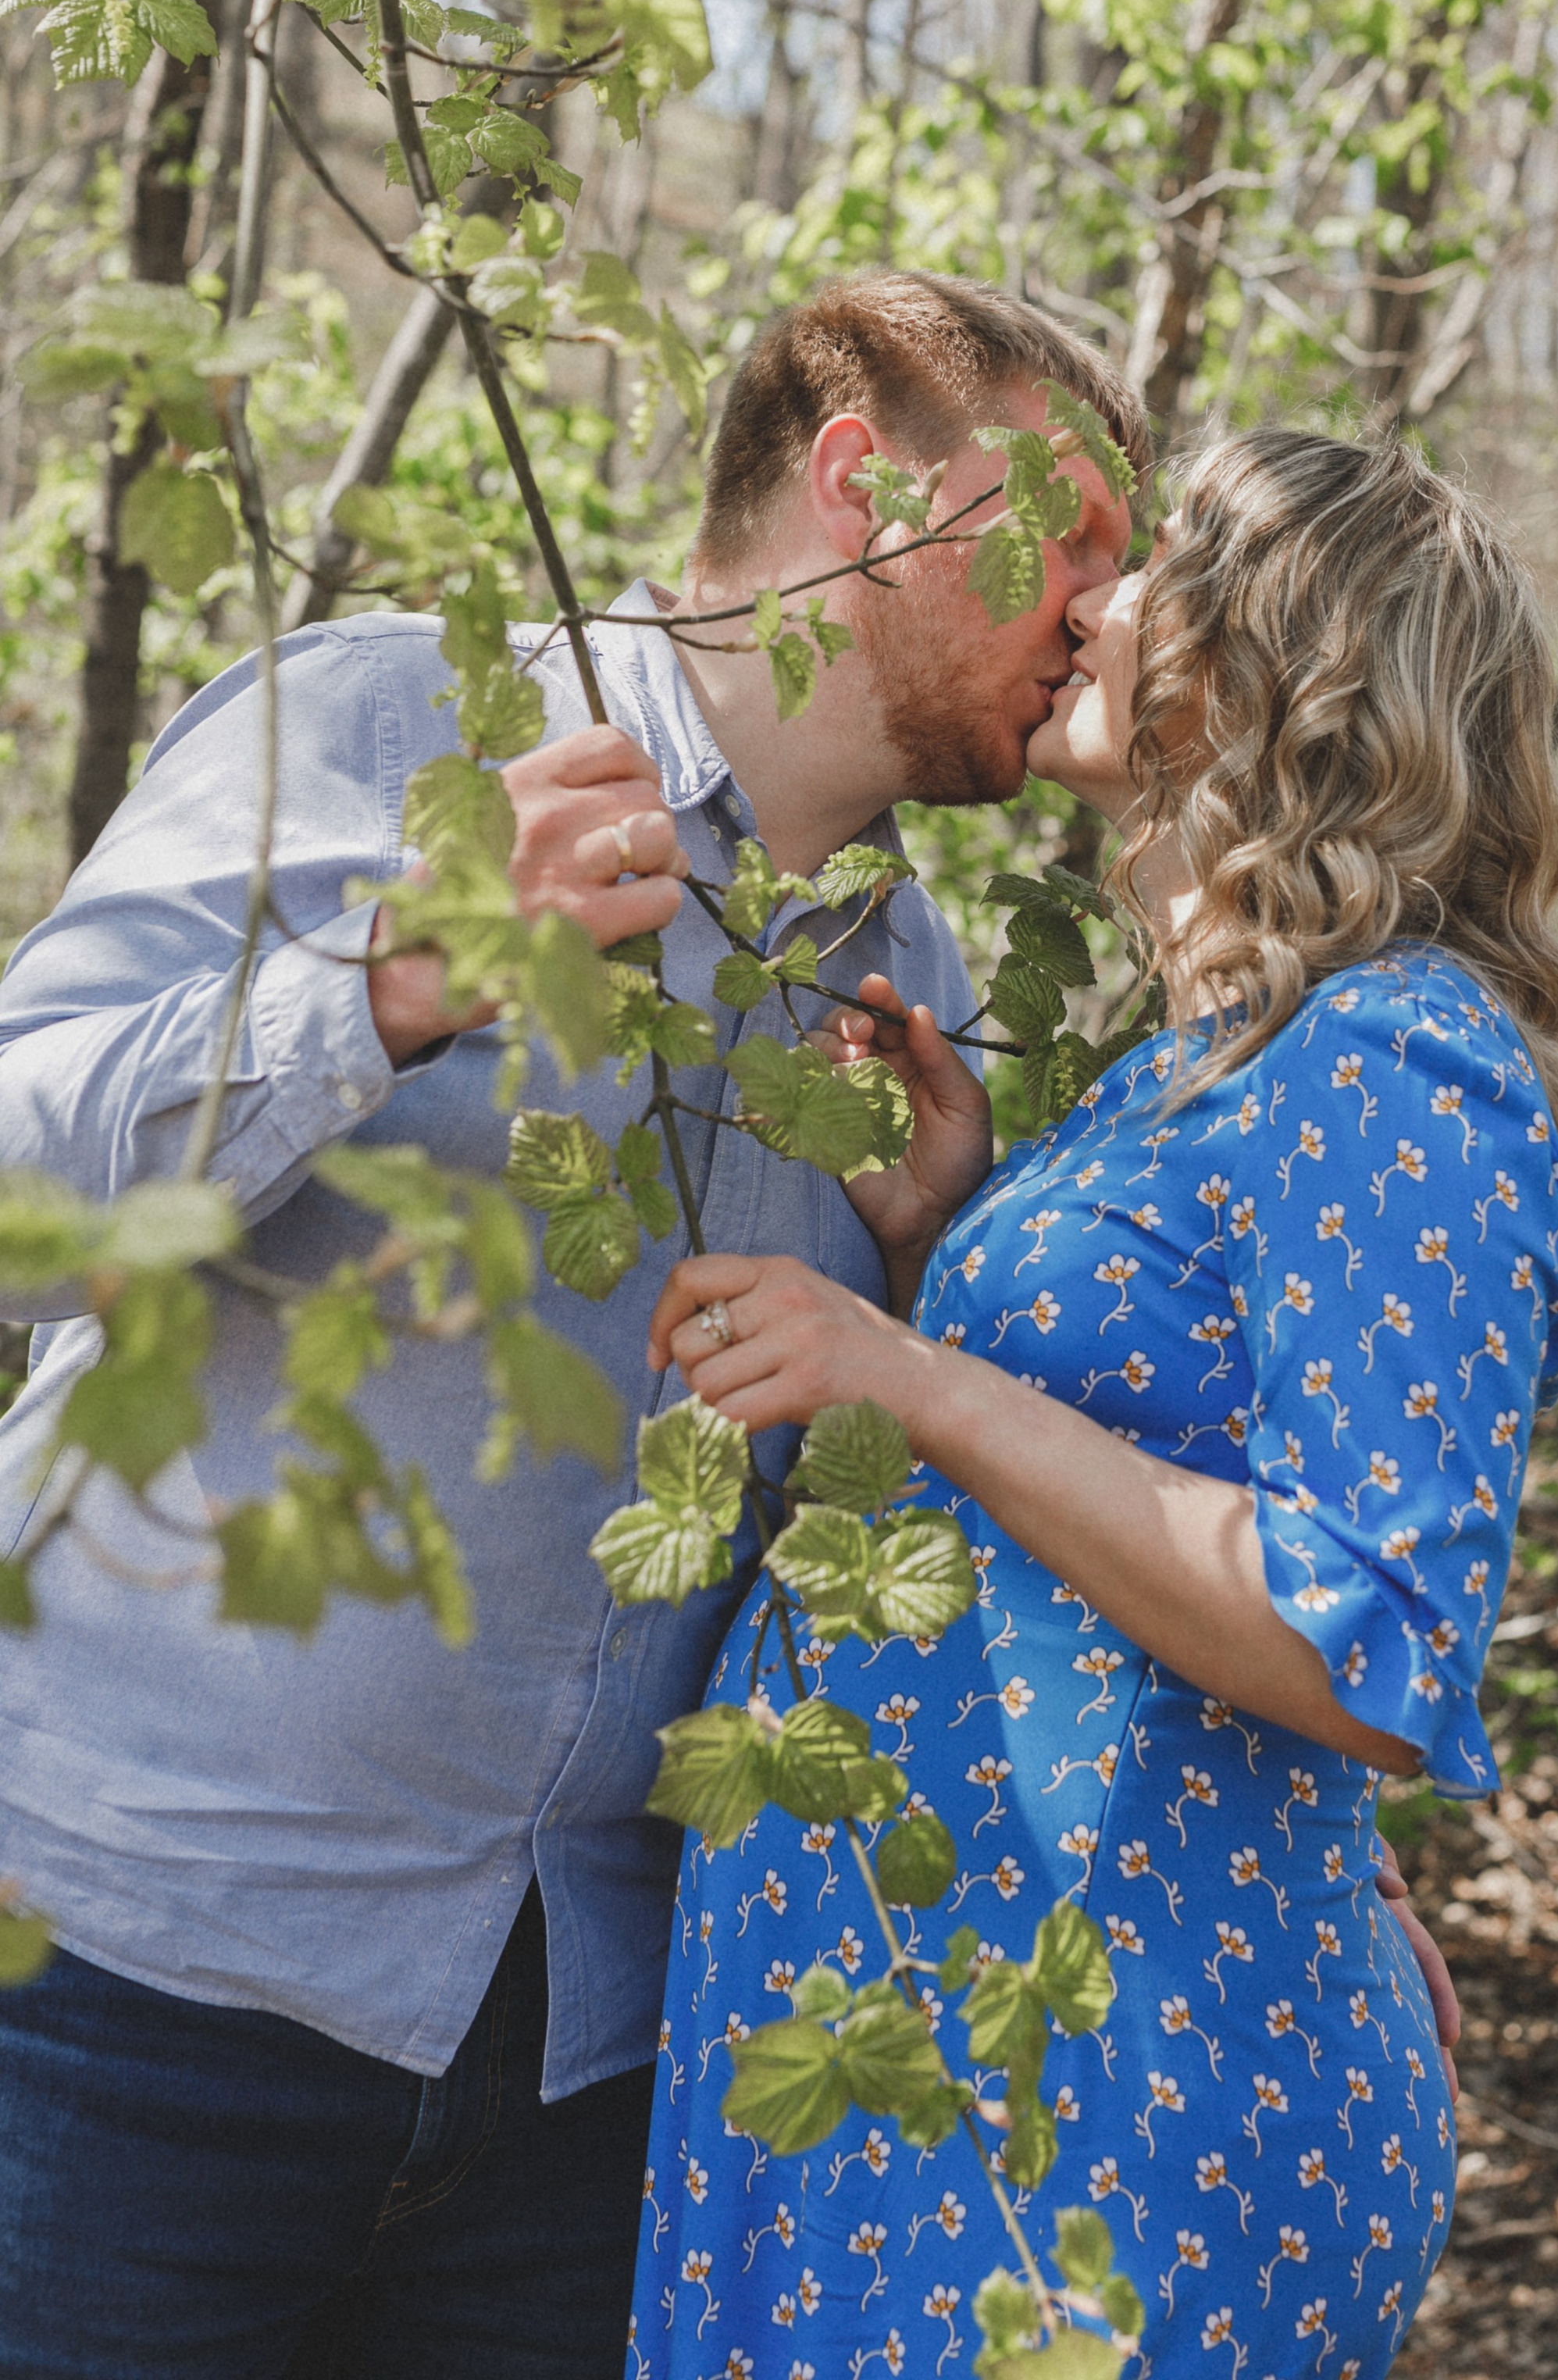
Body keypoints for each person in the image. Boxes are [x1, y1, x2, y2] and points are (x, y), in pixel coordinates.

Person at [0, 273, 1145, 2379]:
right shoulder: (383, 730)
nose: (1103, 608)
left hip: (581, 2085)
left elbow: (909, 1526)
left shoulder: (916, 986)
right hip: (126, 2003)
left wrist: (933, 1267)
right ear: (861, 484)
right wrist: (380, 984)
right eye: (1063, 533)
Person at [640, 426, 1558, 2375]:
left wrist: (912, 1375)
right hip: (912, 2036)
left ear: (1287, 668)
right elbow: (1136, 1481)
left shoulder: (1396, 1053)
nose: (1087, 595)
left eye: (1159, 563)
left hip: (1113, 2096)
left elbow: (1362, 1645)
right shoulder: (1199, 1063)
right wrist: (946, 1232)